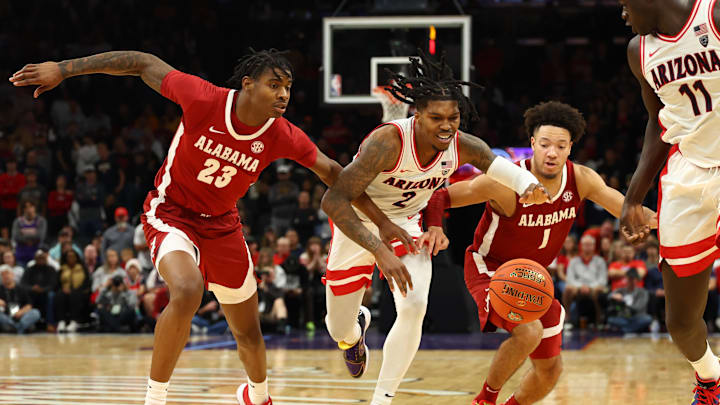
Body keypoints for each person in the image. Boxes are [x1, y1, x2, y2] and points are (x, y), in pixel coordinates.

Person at [11, 48, 411, 405]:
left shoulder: (280, 134)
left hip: (222, 227)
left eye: (288, 87)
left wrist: (382, 223)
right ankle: (156, 397)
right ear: (247, 85)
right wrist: (63, 69)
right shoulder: (203, 99)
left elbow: (337, 176)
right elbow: (141, 63)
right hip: (171, 214)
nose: (284, 95)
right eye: (274, 85)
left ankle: (258, 396)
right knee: (186, 290)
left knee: (249, 334)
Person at [321, 50, 549, 405]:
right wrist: (379, 248)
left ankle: (383, 399)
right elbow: (333, 201)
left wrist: (528, 186)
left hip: (406, 224)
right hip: (357, 222)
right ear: (418, 115)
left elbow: (492, 162)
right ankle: (355, 331)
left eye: (453, 117)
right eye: (436, 117)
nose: (446, 125)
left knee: (414, 305)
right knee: (338, 328)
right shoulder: (388, 143)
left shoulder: (461, 145)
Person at [422, 101, 656, 405]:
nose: (552, 152)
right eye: (544, 144)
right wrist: (436, 228)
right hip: (491, 267)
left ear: (570, 147)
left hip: (534, 278)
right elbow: (439, 198)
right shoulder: (505, 182)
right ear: (532, 144)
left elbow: (629, 210)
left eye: (560, 146)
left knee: (549, 372)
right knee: (529, 331)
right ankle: (484, 400)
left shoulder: (581, 179)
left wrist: (669, 225)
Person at [619, 0, 720, 399]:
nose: (623, 14)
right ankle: (711, 379)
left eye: (624, 4)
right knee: (680, 321)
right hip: (689, 174)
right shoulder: (638, 51)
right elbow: (656, 121)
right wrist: (633, 197)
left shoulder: (712, 14)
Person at [607, 268, 653, 334]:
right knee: (611, 319)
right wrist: (613, 296)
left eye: (633, 278)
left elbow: (637, 308)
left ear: (636, 280)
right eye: (629, 278)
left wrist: (622, 302)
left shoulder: (642, 292)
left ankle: (626, 330)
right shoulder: (621, 290)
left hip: (637, 316)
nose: (631, 281)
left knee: (647, 319)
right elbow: (608, 297)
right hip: (623, 316)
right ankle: (632, 329)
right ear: (626, 279)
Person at [0, 266, 41, 334]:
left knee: (36, 312)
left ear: (12, 275)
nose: (6, 276)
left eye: (7, 274)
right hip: (6, 316)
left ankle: (16, 328)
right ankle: (20, 328)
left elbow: (29, 305)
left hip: (21, 316)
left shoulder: (21, 288)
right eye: (3, 275)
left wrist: (21, 312)